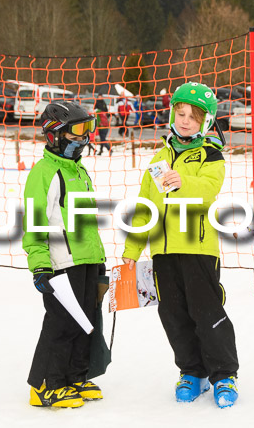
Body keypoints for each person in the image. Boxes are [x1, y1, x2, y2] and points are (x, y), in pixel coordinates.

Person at [121, 82, 240, 409]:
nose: (186, 120)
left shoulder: (210, 156)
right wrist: (131, 253)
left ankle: (224, 373)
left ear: (206, 122)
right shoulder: (158, 158)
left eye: (194, 116)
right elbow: (145, 207)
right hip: (162, 252)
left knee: (206, 313)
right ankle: (192, 371)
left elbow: (208, 190)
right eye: (181, 113)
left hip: (198, 250)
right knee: (173, 314)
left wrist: (182, 180)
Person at [23, 101, 107, 409]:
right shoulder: (43, 173)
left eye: (88, 130)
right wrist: (40, 265)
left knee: (86, 322)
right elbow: (34, 224)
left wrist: (99, 260)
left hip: (85, 261)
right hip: (59, 263)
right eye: (77, 131)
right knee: (62, 324)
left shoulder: (79, 171)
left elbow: (86, 223)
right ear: (55, 134)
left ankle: (74, 376)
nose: (84, 138)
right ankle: (46, 384)